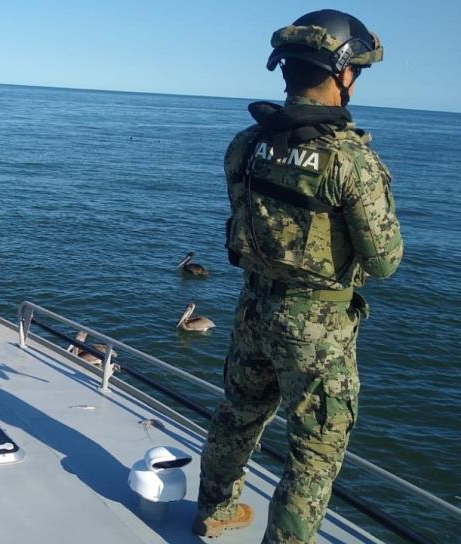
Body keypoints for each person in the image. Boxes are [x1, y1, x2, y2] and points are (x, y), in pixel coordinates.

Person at [194, 10, 403, 543]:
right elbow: (383, 261)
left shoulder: (246, 143)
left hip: (252, 307)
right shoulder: (351, 162)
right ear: (342, 75)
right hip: (317, 326)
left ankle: (215, 511)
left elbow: (246, 222)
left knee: (237, 415)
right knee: (314, 450)